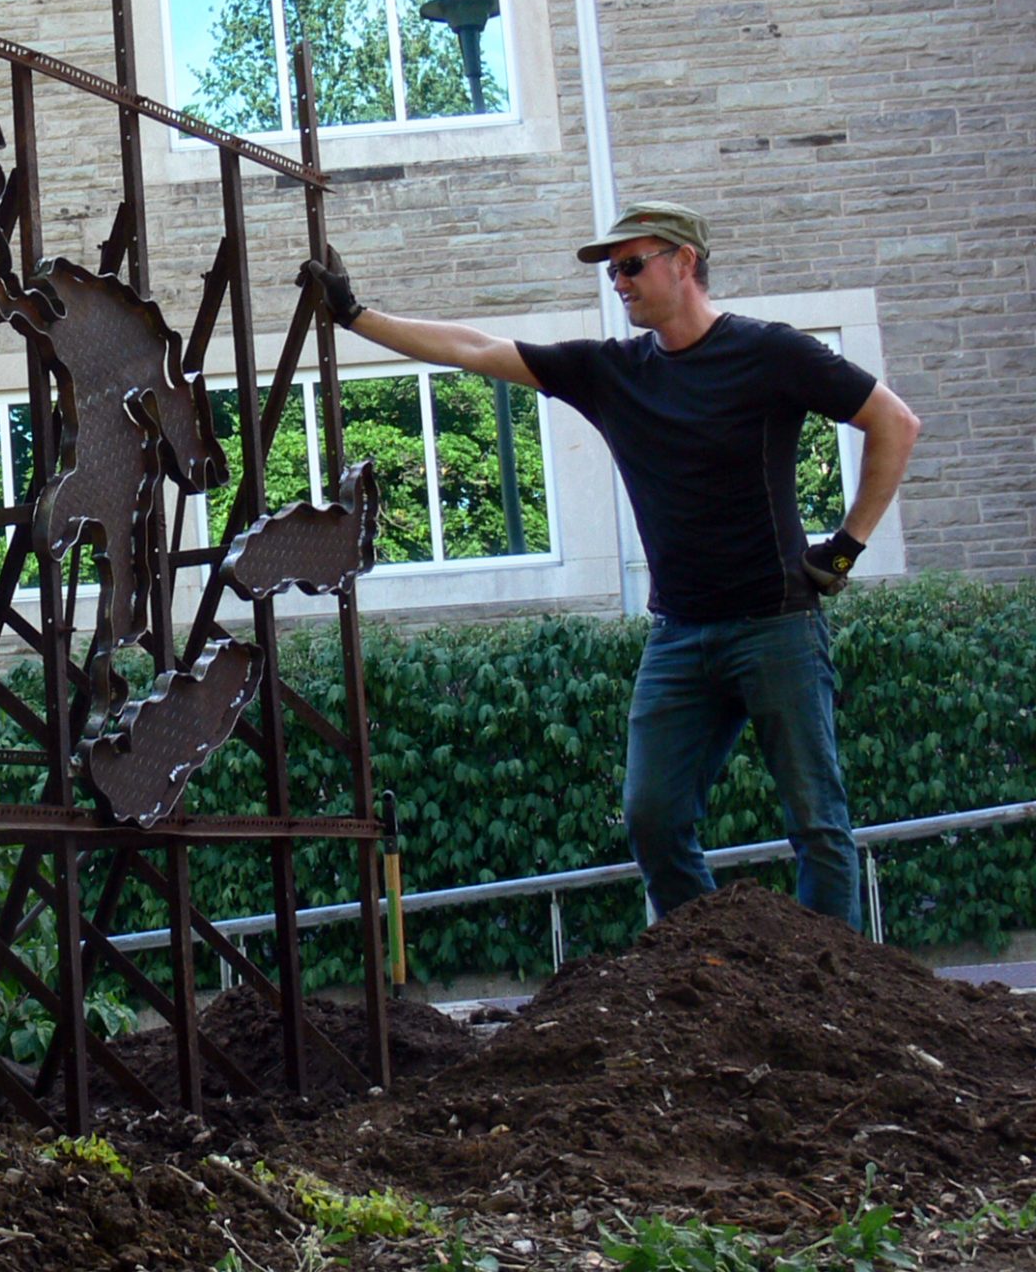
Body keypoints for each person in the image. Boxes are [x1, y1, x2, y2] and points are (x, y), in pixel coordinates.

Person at [302, 202, 919, 929]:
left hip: (775, 626)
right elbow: (475, 347)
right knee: (652, 821)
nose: (618, 282)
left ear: (685, 262)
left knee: (817, 823)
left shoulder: (770, 353)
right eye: (611, 270)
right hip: (679, 636)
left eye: (631, 265)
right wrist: (355, 315)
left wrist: (846, 545)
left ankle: (831, 985)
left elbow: (893, 421)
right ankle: (715, 966)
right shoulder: (611, 372)